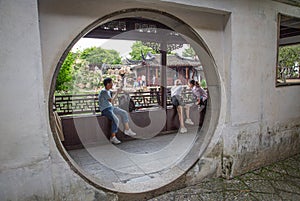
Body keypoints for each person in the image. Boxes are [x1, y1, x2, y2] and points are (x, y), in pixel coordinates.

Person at [98, 77, 136, 144]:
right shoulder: (104, 91)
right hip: (105, 109)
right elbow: (112, 100)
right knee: (116, 120)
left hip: (111, 107)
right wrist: (117, 93)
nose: (112, 84)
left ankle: (127, 130)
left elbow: (111, 102)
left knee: (124, 113)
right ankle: (112, 137)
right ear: (108, 84)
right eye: (111, 83)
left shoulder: (108, 91)